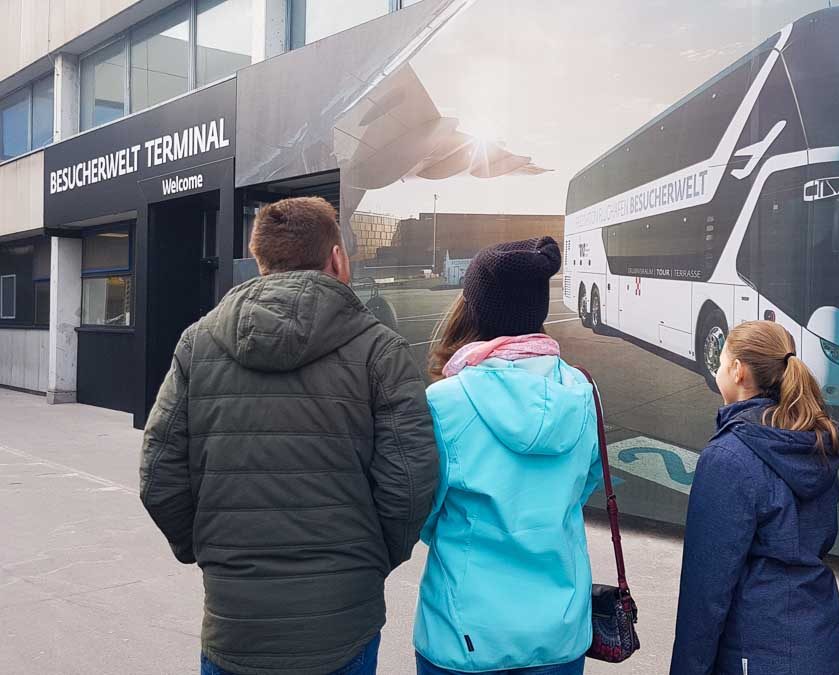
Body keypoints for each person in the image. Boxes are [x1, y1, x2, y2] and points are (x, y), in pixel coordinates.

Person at [139, 196, 440, 675]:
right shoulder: (379, 349)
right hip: (342, 620)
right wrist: (374, 557)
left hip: (233, 619)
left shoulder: (197, 343)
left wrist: (209, 552)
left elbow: (159, 476)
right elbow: (411, 477)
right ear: (337, 257)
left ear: (260, 260)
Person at [414, 236, 602, 674]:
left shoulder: (446, 402)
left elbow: (424, 512)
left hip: (464, 635)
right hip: (561, 633)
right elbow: (584, 486)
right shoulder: (584, 393)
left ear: (474, 309)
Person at [671, 320, 839, 675]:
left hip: (755, 649)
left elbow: (706, 588)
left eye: (721, 361)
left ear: (737, 371)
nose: (719, 368)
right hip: (820, 639)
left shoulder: (728, 456)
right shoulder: (817, 442)